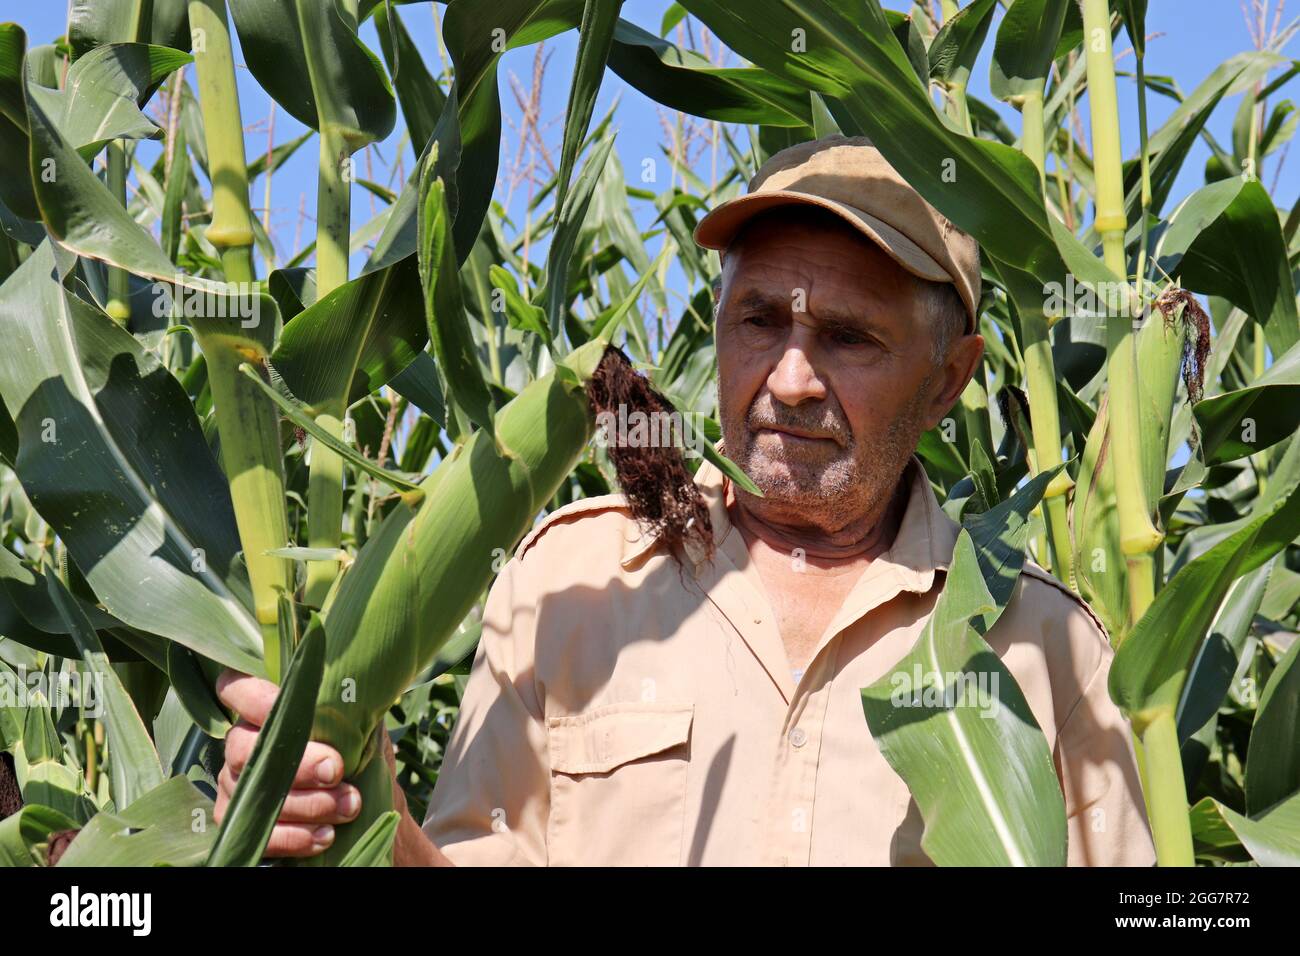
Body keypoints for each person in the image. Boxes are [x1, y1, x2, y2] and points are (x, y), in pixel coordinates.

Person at [216, 135, 1156, 866]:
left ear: (951, 377)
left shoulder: (1044, 650)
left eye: (848, 337)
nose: (789, 378)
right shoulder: (568, 585)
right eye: (757, 321)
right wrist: (339, 789)